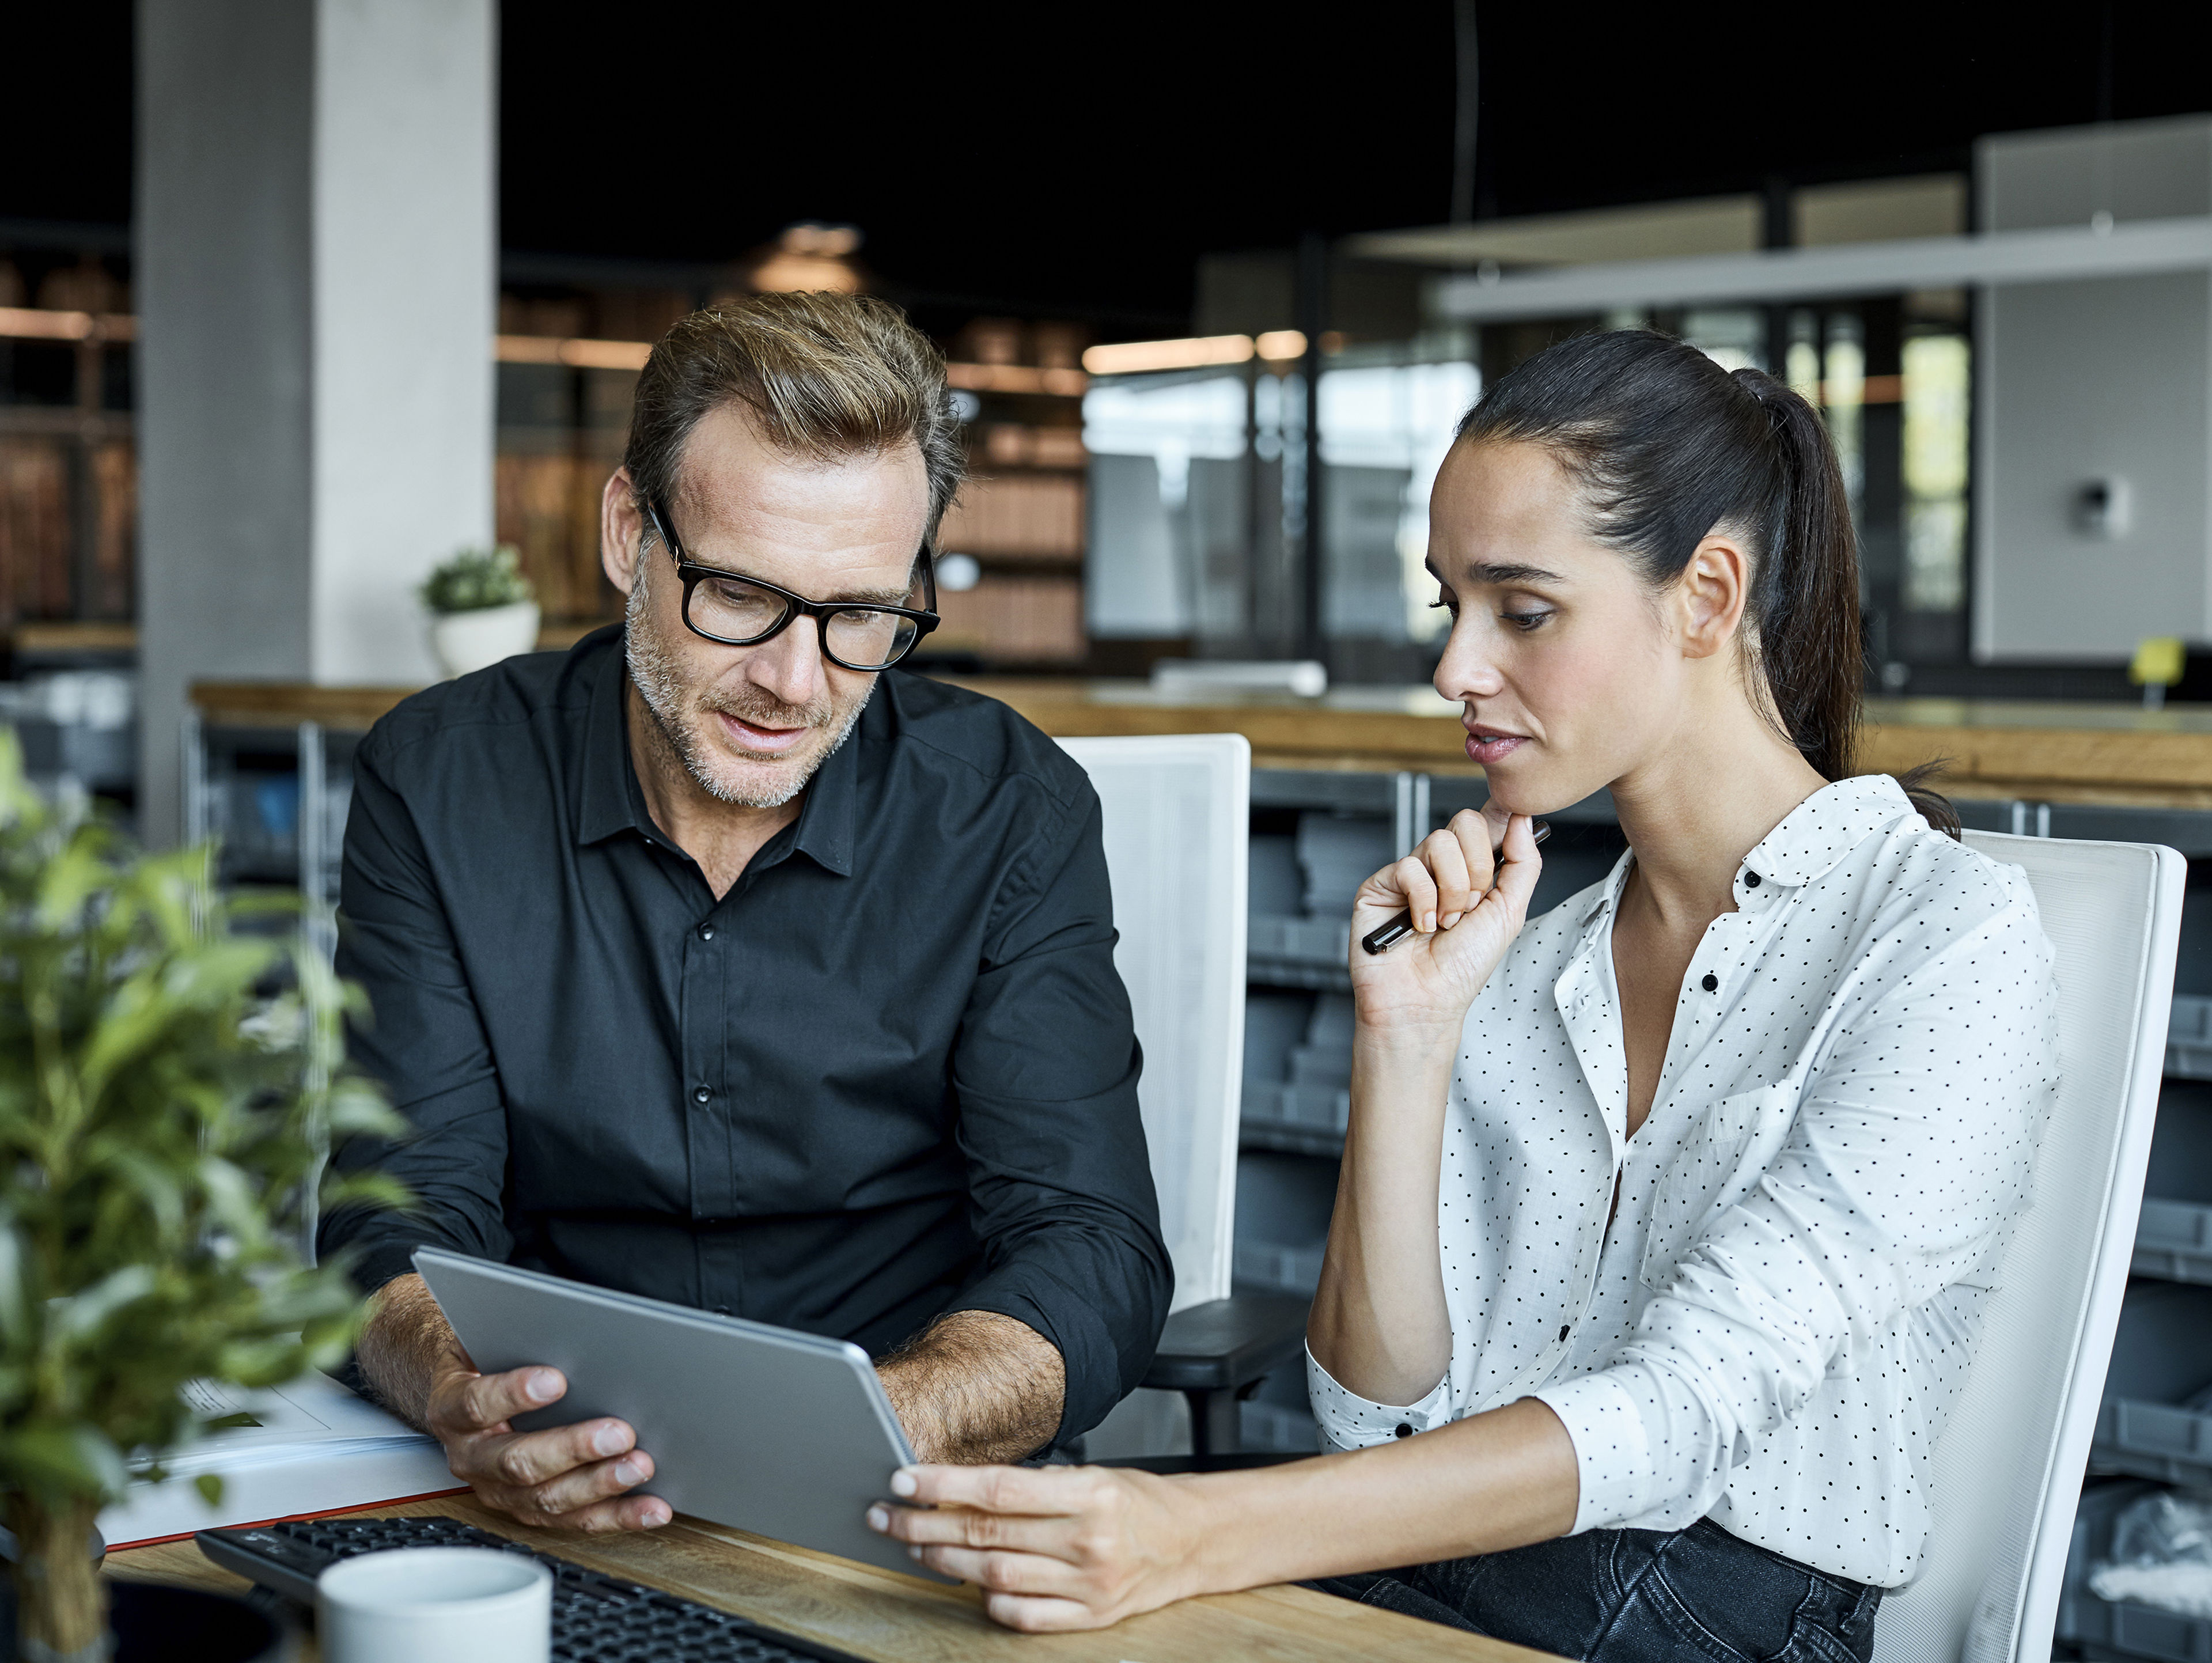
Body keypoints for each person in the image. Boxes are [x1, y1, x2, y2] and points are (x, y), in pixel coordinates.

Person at [866, 329, 2059, 1662]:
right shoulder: (1532, 959)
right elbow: (1372, 1420)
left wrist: (1197, 1531)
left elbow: (1681, 1417)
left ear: (1708, 595)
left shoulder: (1944, 937)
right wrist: (1409, 1039)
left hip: (1719, 1615)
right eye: (1452, 606)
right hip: (1469, 1573)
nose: (1455, 670)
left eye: (1524, 610)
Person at [320, 292, 1171, 1534]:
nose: (792, 680)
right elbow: (395, 1208)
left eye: (860, 616)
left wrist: (870, 1424)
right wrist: (460, 1390)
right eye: (736, 594)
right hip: (544, 1480)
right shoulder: (440, 781)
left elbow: (1088, 1246)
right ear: (629, 533)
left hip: (900, 1492)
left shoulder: (1010, 813)